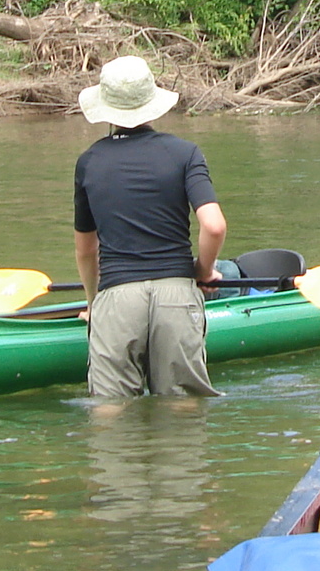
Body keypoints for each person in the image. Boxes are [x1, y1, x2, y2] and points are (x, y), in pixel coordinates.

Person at [71, 55, 227, 399]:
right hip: (177, 296)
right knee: (183, 407)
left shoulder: (89, 162)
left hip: (117, 297)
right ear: (152, 104)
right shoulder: (186, 153)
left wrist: (94, 302)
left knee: (111, 411)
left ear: (107, 109)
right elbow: (213, 226)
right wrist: (202, 272)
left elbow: (86, 249)